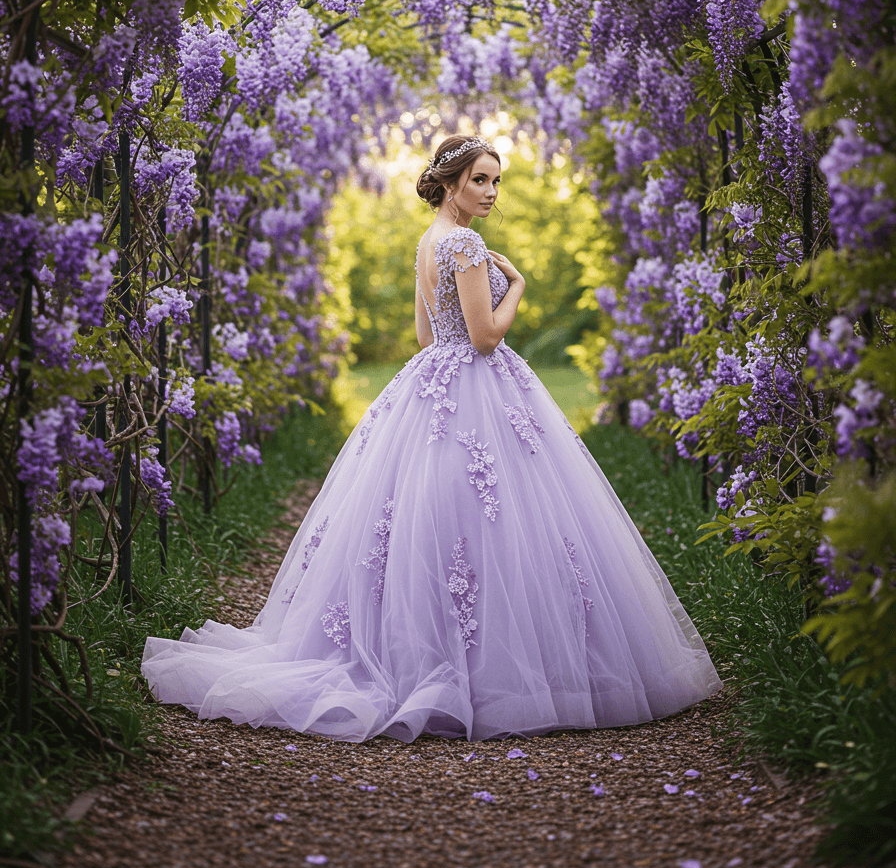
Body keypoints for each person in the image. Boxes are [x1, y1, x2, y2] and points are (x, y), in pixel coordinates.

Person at [142, 134, 721, 741]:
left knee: (438, 519)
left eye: (497, 181)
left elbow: (426, 338)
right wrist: (518, 287)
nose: (491, 193)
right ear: (450, 184)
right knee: (491, 522)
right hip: (475, 383)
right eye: (480, 180)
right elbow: (484, 338)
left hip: (430, 385)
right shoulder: (466, 243)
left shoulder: (428, 241)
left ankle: (434, 654)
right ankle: (484, 668)